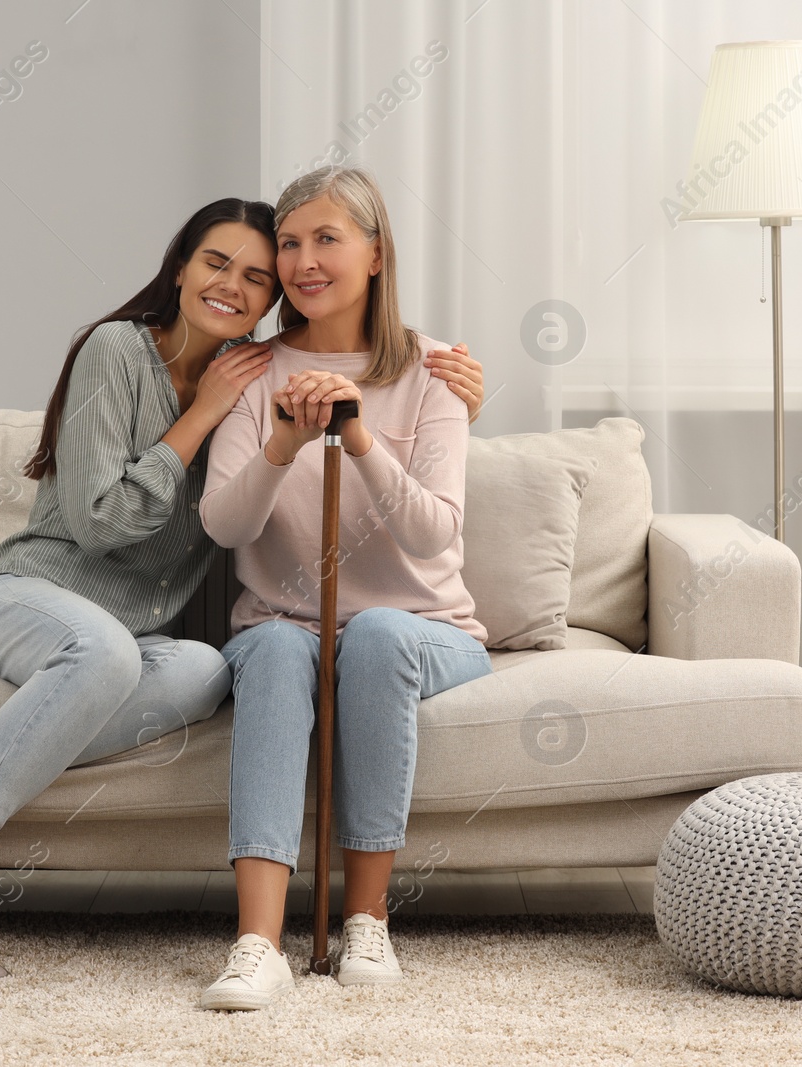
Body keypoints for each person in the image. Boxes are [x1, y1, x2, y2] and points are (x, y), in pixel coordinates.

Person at [0, 196, 490, 978]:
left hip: (136, 637)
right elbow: (97, 524)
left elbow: (397, 455)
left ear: (276, 298)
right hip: (35, 594)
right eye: (216, 262)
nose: (235, 284)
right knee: (104, 655)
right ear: (180, 266)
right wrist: (201, 414)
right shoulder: (121, 351)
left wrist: (456, 403)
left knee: (203, 668)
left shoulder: (258, 373)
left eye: (259, 275)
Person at [197, 165, 493, 1011]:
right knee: (280, 646)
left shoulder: (437, 369)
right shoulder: (253, 371)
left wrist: (360, 434)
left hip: (424, 630)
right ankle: (257, 942)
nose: (303, 260)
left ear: (375, 252)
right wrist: (285, 443)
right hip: (284, 621)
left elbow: (434, 531)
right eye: (289, 242)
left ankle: (368, 919)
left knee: (378, 634)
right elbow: (225, 526)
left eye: (327, 238)